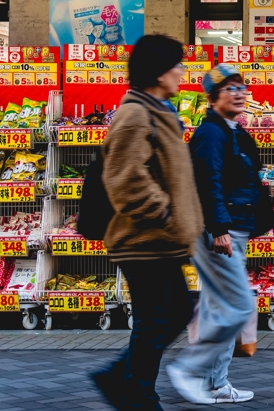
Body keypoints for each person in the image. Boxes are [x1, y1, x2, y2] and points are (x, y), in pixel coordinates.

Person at [91, 35, 203, 411]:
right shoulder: (135, 113)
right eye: (177, 65)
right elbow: (124, 177)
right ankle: (138, 396)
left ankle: (119, 380)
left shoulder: (159, 110)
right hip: (143, 240)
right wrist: (163, 213)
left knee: (176, 313)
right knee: (156, 320)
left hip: (163, 240)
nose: (181, 72)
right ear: (158, 72)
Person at [168, 64, 271, 404]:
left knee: (218, 308)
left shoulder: (232, 130)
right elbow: (206, 183)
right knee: (239, 307)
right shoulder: (211, 133)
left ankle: (216, 383)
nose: (239, 93)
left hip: (232, 229)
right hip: (218, 235)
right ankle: (189, 369)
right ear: (212, 98)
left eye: (241, 86)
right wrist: (219, 229)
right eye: (230, 88)